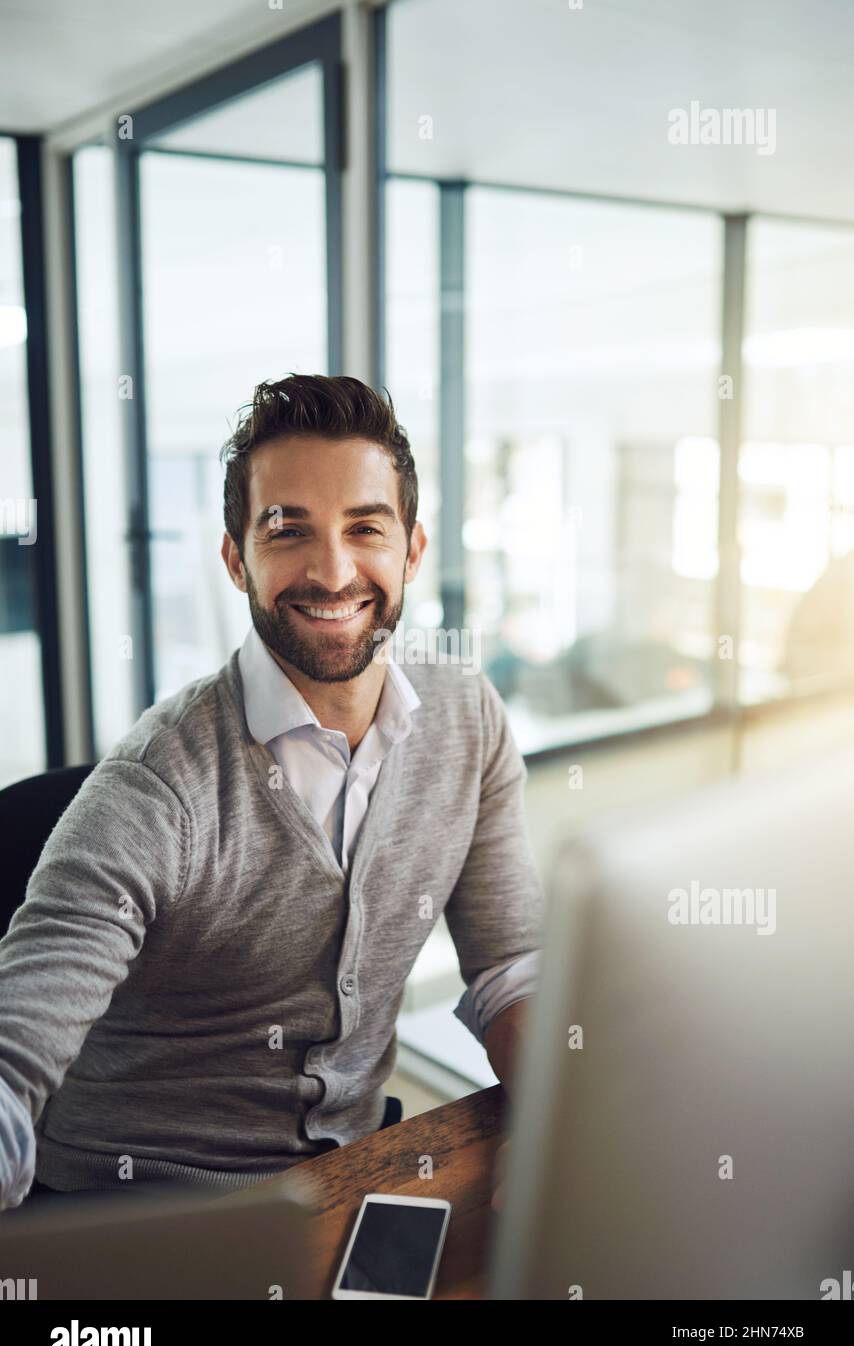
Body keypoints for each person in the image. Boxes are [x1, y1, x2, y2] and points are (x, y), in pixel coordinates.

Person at [0, 374, 543, 1212]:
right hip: (139, 1215)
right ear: (235, 557)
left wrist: (554, 1123)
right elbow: (12, 1062)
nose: (333, 572)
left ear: (413, 549)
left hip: (352, 1179)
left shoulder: (467, 719)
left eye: (366, 528)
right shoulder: (155, 788)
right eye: (288, 530)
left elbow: (512, 965)